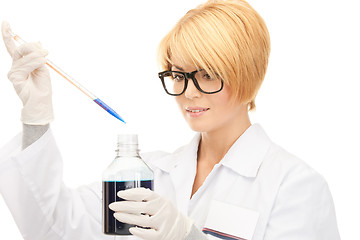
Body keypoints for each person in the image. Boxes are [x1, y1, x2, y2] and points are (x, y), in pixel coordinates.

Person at [0, 0, 341, 239]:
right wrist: (36, 117)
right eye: (177, 74)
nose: (187, 92)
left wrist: (189, 238)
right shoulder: (148, 173)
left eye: (207, 74)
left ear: (247, 74)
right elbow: (53, 228)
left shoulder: (294, 186)